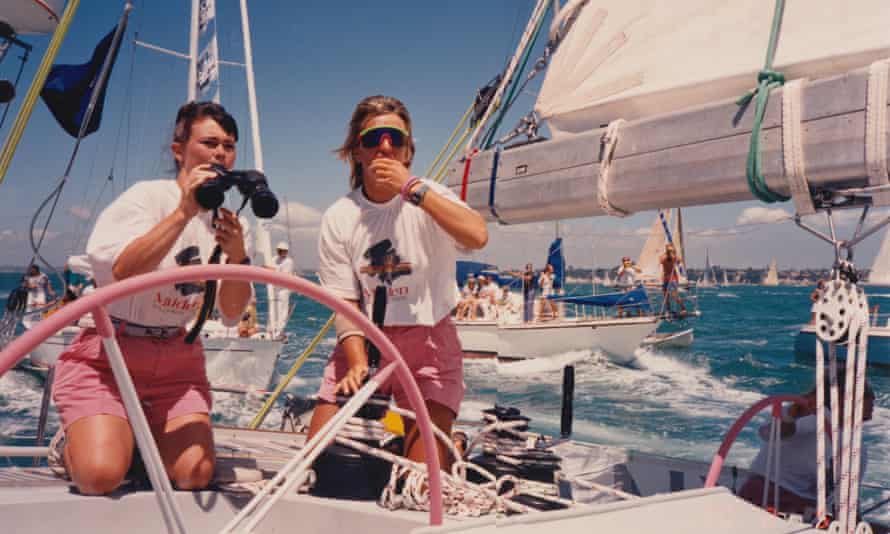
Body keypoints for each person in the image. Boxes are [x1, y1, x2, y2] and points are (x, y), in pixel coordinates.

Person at [50, 101, 253, 495]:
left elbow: (230, 314)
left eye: (228, 145)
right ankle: (72, 444)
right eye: (209, 142)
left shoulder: (229, 221)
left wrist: (239, 255)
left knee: (194, 475)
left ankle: (139, 441)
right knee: (100, 477)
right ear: (179, 150)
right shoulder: (146, 197)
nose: (220, 153)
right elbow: (124, 270)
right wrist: (183, 213)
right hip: (109, 357)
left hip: (177, 362)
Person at [307, 95, 488, 472]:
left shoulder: (430, 198)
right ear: (357, 152)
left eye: (395, 138)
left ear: (408, 151)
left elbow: (476, 236)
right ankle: (401, 430)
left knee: (422, 481)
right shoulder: (339, 218)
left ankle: (447, 441)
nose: (384, 146)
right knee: (318, 463)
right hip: (367, 344)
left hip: (429, 347)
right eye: (373, 139)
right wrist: (356, 363)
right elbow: (345, 304)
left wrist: (415, 190)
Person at [738, 372, 876, 517]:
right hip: (766, 498)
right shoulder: (808, 417)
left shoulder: (856, 445)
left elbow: (843, 497)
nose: (873, 398)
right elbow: (769, 433)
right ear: (842, 396)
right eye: (867, 393)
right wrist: (792, 414)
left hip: (800, 506)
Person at [271, 241, 294, 335]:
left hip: (283, 289)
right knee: (274, 309)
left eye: (284, 251)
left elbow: (284, 276)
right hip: (274, 288)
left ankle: (279, 330)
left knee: (282, 311)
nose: (282, 252)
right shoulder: (274, 259)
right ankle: (272, 328)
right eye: (280, 250)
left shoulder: (288, 261)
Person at [659, 243, 686, 314]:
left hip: (673, 278)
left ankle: (683, 308)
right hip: (665, 278)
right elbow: (661, 261)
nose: (669, 251)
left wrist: (675, 257)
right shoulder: (663, 257)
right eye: (668, 249)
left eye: (671, 249)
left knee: (674, 295)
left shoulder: (675, 257)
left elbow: (680, 262)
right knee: (666, 296)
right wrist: (669, 254)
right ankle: (668, 310)